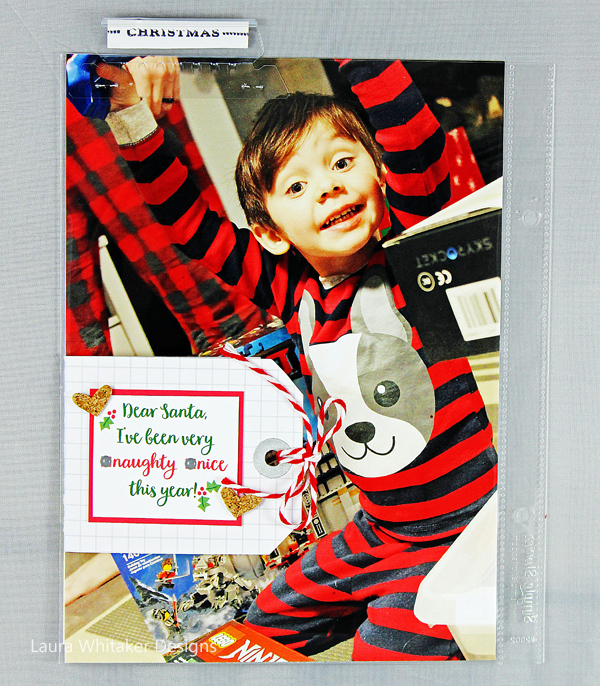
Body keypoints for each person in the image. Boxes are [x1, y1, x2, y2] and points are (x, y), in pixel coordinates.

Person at [95, 58, 497, 661]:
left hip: (467, 529)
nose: (328, 186)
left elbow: (414, 135)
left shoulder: (411, 260)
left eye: (342, 163)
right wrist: (130, 113)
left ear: (380, 174)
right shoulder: (292, 293)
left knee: (382, 650)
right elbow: (185, 219)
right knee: (259, 625)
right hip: (380, 530)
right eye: (296, 186)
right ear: (269, 232)